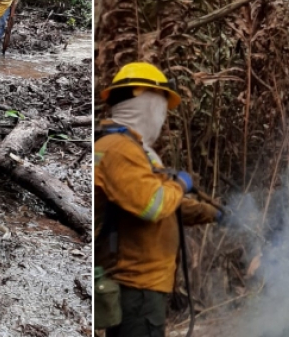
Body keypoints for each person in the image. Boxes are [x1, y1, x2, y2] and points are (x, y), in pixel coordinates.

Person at [93, 62, 221, 336]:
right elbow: (154, 204)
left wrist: (211, 213)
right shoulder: (119, 150)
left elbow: (168, 204)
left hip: (145, 285)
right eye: (161, 107)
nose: (162, 118)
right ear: (146, 104)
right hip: (135, 286)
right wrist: (179, 183)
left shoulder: (134, 150)